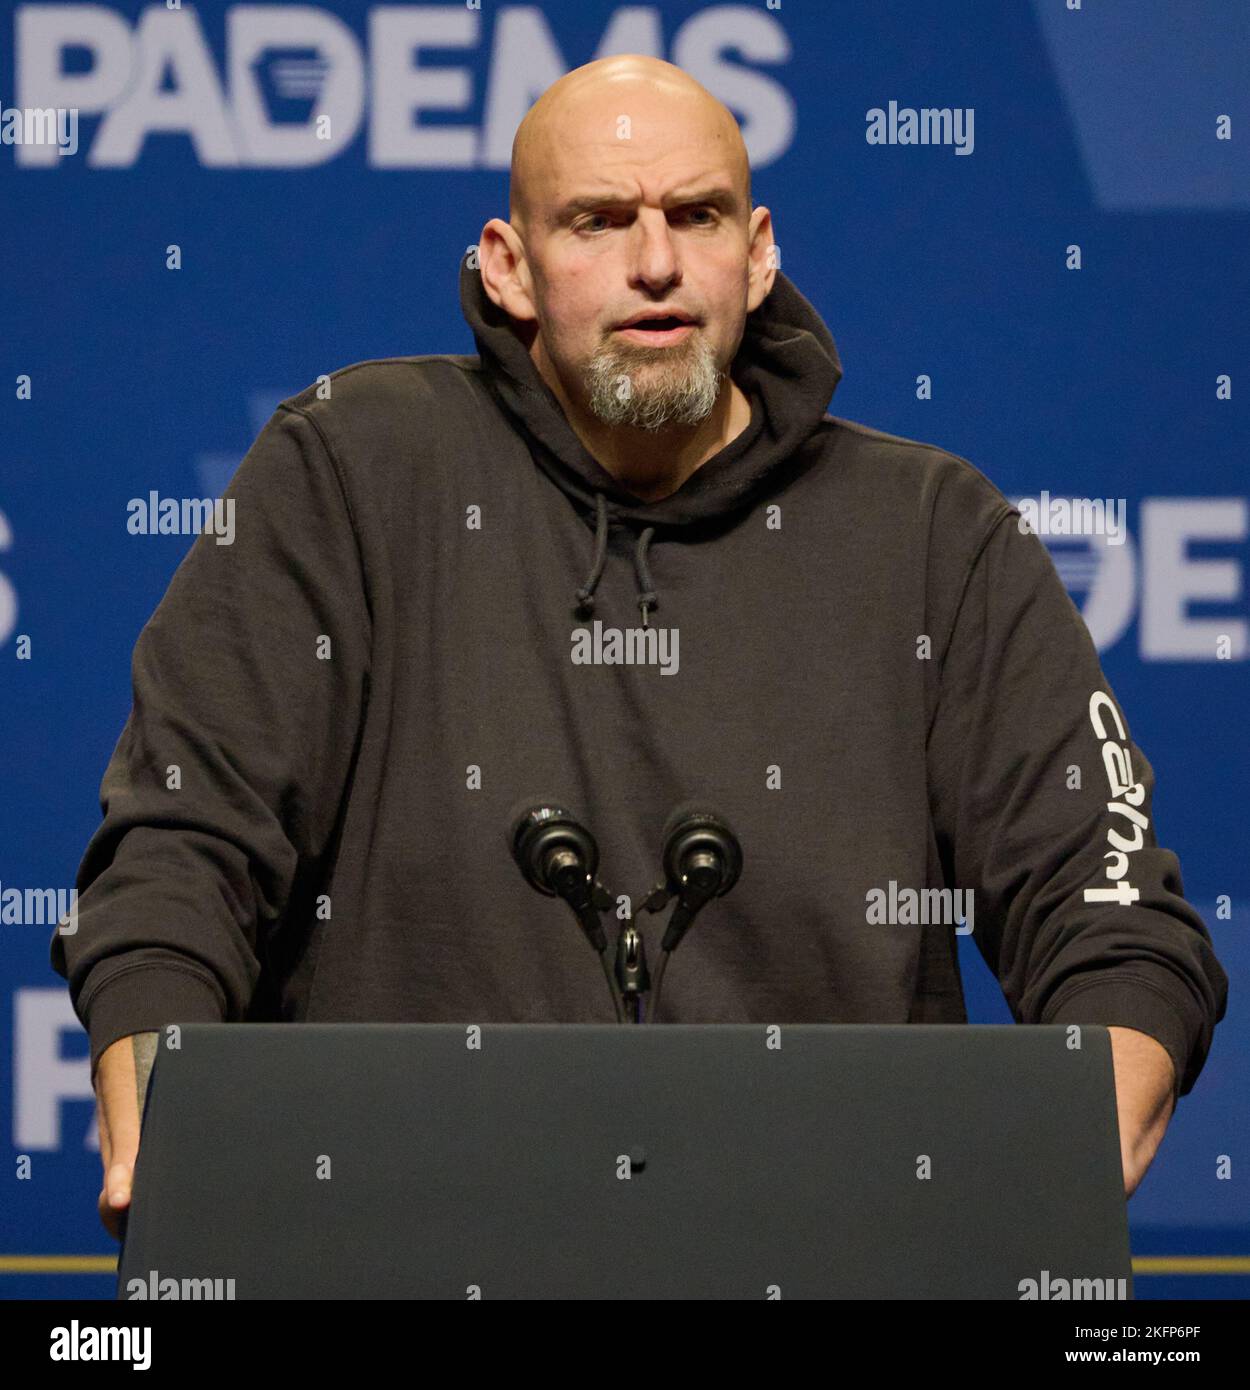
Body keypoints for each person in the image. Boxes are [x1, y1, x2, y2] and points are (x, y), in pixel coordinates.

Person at [53, 55, 1227, 1240]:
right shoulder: (351, 473)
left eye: (696, 215)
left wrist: (1023, 1213)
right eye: (599, 221)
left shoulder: (932, 534)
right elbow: (181, 855)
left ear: (757, 253)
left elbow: (1114, 925)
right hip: (393, 1238)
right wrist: (171, 1136)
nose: (655, 261)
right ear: (508, 266)